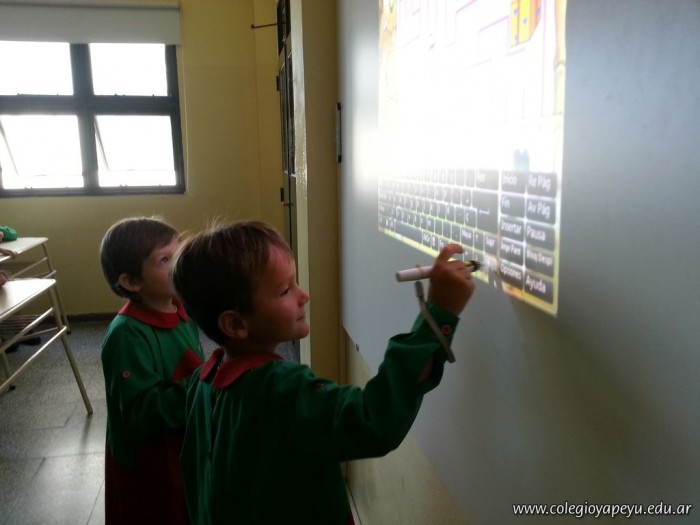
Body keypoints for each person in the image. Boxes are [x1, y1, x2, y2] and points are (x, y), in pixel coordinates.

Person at [170, 221, 475, 524]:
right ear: (235, 324)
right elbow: (373, 421)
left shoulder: (203, 380)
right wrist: (439, 313)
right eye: (285, 290)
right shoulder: (281, 390)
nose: (303, 295)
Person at [99, 217, 205, 525]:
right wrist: (203, 384)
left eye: (179, 252)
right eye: (165, 260)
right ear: (133, 282)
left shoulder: (179, 308)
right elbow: (141, 412)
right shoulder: (127, 335)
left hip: (180, 446)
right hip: (150, 461)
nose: (180, 263)